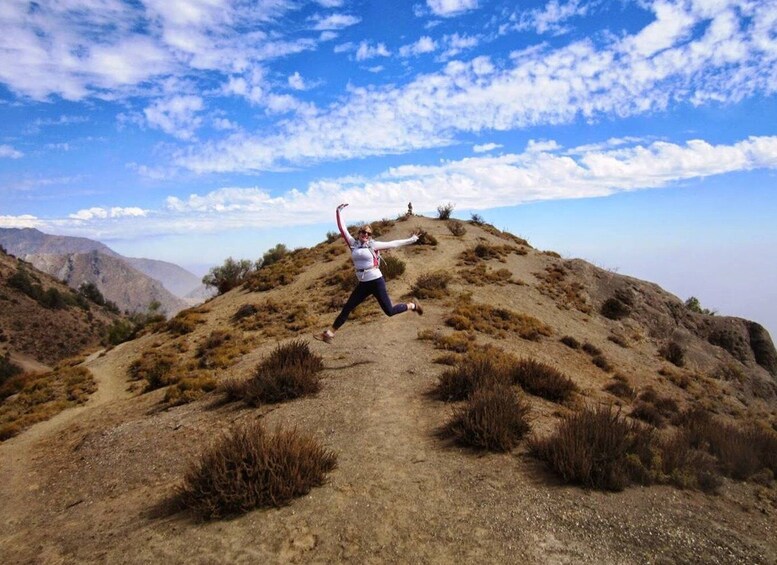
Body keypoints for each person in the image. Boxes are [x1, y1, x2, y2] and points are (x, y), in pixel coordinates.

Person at [316, 203, 423, 344]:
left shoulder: (373, 245)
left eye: (368, 233)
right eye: (363, 232)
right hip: (363, 284)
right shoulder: (353, 243)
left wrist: (411, 240)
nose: (365, 235)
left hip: (376, 281)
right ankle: (329, 334)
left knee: (389, 311)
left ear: (370, 236)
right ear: (359, 233)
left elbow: (394, 243)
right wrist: (339, 211)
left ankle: (412, 306)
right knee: (347, 308)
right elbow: (342, 229)